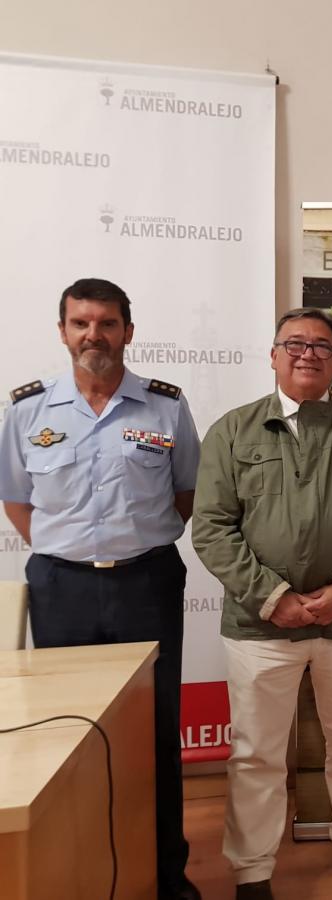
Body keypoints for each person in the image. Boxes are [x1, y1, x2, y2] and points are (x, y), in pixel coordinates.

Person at [191, 307, 332, 900]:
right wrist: (273, 597)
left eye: (321, 345)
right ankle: (253, 869)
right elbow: (210, 528)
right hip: (261, 627)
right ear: (273, 354)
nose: (307, 353)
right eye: (295, 343)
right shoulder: (231, 432)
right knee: (257, 752)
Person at [0, 277, 202, 899]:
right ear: (62, 331)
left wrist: (120, 546)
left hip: (147, 581)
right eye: (82, 323)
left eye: (107, 323)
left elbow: (186, 494)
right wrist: (73, 552)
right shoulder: (27, 411)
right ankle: (77, 873)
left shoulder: (166, 406)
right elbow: (16, 500)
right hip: (61, 588)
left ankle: (168, 876)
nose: (95, 335)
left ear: (128, 332)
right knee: (66, 735)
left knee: (156, 730)